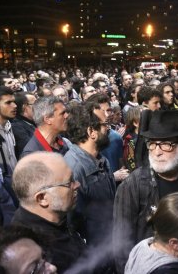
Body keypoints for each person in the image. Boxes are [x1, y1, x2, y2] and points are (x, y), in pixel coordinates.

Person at [113, 110, 178, 274]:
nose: (157, 152)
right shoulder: (133, 185)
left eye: (166, 144)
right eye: (152, 144)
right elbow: (121, 243)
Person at [11, 152, 85, 273]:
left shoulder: (58, 219)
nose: (77, 184)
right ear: (42, 198)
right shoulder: (37, 254)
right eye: (69, 182)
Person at [64, 104, 116, 249]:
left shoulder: (101, 159)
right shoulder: (73, 168)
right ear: (91, 131)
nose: (109, 129)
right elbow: (72, 222)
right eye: (105, 124)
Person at [0, 86, 18, 223]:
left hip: (15, 186)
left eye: (14, 101)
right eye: (8, 103)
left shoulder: (9, 126)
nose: (14, 105)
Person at [12, 92, 37, 158]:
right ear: (24, 107)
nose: (39, 107)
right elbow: (32, 151)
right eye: (35, 104)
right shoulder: (16, 127)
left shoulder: (35, 122)